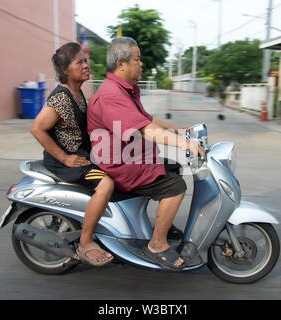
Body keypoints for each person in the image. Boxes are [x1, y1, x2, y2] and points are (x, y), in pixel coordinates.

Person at [87, 37, 205, 271]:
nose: (141, 64)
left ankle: (164, 225)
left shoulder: (126, 90)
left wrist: (177, 130)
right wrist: (183, 143)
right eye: (137, 59)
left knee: (174, 167)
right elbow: (144, 129)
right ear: (121, 64)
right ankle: (157, 244)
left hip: (130, 156)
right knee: (175, 187)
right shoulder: (111, 95)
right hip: (120, 163)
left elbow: (145, 118)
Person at [30, 42, 114, 266]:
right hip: (67, 163)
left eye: (85, 60)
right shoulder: (62, 98)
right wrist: (65, 158)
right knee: (106, 184)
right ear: (66, 70)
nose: (86, 65)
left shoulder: (77, 93)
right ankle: (85, 242)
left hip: (81, 156)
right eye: (80, 62)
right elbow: (37, 128)